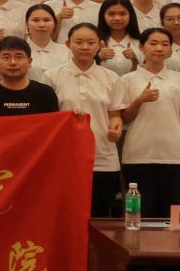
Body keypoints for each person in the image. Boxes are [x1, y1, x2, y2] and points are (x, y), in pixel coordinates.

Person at [45, 23, 124, 217]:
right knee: (66, 214)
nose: (85, 47)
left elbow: (115, 115)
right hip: (65, 157)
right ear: (67, 44)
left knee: (99, 215)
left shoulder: (111, 77)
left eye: (90, 42)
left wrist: (116, 128)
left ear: (101, 45)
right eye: (78, 42)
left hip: (103, 156)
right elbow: (47, 118)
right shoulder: (52, 76)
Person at [120, 27, 180, 219]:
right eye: (153, 43)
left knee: (171, 214)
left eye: (165, 44)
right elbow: (124, 118)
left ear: (171, 49)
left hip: (174, 155)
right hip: (138, 155)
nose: (159, 48)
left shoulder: (179, 78)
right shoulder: (127, 80)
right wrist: (140, 100)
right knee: (140, 213)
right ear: (141, 47)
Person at [0, 36, 58, 117]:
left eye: (19, 57)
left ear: (30, 62)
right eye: (6, 57)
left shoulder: (45, 94)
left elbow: (56, 124)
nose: (13, 62)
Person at [96, 0, 143, 77]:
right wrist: (98, 58)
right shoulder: (94, 42)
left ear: (130, 15)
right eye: (111, 14)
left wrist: (134, 60)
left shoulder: (141, 42)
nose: (117, 18)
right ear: (103, 16)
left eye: (122, 14)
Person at [23, 4, 69, 82]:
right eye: (35, 20)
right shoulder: (18, 51)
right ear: (27, 23)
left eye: (47, 20)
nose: (42, 25)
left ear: (55, 23)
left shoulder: (66, 51)